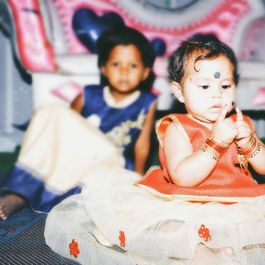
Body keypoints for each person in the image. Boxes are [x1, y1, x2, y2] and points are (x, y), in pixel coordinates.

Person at [44, 40, 265, 265]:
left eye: (226, 86)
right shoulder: (177, 126)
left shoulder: (239, 123)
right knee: (172, 229)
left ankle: (226, 248)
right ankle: (203, 253)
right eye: (204, 87)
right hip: (183, 200)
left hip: (237, 199)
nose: (217, 94)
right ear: (179, 92)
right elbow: (183, 176)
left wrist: (250, 144)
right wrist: (215, 143)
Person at [0, 26, 157, 220]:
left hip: (113, 164)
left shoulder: (146, 102)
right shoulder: (88, 95)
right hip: (84, 162)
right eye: (116, 64)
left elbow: (142, 145)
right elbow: (67, 133)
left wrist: (138, 180)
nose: (124, 72)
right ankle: (19, 193)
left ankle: (31, 194)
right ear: (104, 69)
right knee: (50, 112)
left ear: (144, 72)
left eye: (132, 66)